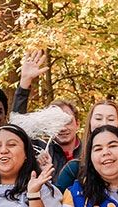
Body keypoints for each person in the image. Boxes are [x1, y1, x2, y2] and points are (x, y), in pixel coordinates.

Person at [11, 50, 80, 179]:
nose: (63, 128)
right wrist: (25, 82)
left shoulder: (89, 152)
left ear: (77, 125)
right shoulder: (41, 150)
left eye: (67, 122)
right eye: (56, 123)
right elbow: (16, 127)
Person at [51, 100, 118, 190]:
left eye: (111, 119)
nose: (104, 123)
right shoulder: (73, 168)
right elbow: (56, 197)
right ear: (90, 123)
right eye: (98, 119)